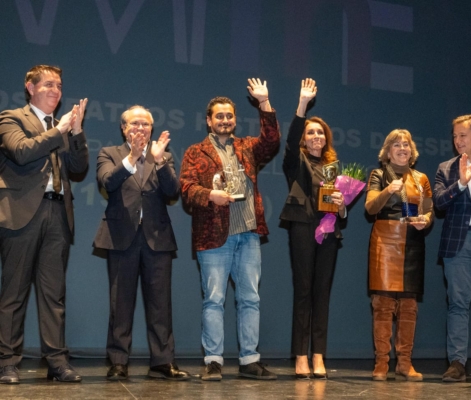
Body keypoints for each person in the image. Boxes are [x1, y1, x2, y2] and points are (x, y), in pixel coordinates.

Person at [180, 78, 280, 381]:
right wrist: (210, 196)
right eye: (219, 116)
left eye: (229, 115)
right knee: (214, 299)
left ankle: (250, 360)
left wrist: (264, 103)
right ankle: (213, 361)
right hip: (213, 237)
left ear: (235, 120)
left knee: (250, 298)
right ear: (209, 121)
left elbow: (272, 141)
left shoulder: (247, 146)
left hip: (248, 233)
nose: (225, 120)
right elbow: (185, 188)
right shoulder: (195, 152)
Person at [0, 65, 88, 383]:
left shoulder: (61, 127)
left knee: (54, 294)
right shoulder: (11, 118)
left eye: (59, 85)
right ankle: (7, 362)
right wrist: (59, 130)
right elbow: (21, 153)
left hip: (57, 213)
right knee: (14, 292)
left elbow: (79, 167)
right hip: (21, 213)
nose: (55, 90)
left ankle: (56, 361)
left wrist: (76, 131)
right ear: (30, 87)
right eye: (48, 84)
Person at [93, 105, 190, 381]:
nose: (141, 129)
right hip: (121, 237)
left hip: (156, 239)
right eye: (135, 124)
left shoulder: (164, 156)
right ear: (124, 128)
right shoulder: (109, 153)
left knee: (160, 304)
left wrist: (158, 162)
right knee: (120, 304)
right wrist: (132, 158)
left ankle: (162, 361)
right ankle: (118, 361)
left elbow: (173, 192)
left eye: (146, 125)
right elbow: (107, 182)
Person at [279, 78, 346, 379]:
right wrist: (302, 105)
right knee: (303, 292)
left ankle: (319, 354)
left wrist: (342, 206)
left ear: (326, 138)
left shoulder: (334, 167)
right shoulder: (297, 162)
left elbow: (340, 208)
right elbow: (290, 143)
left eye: (320, 132)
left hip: (329, 233)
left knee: (322, 293)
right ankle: (300, 356)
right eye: (311, 132)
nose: (316, 136)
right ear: (305, 139)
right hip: (304, 229)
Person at [365, 129, 433, 381]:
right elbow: (370, 208)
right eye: (396, 145)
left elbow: (429, 210)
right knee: (382, 305)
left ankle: (405, 362)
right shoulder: (379, 175)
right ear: (388, 151)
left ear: (411, 151)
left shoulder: (421, 178)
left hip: (412, 242)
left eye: (406, 144)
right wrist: (388, 191)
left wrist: (424, 221)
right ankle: (381, 363)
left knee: (409, 306)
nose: (402, 148)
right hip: (385, 241)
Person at [433, 114, 471, 383]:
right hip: (457, 244)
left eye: (463, 135)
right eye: (455, 136)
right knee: (458, 305)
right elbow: (438, 203)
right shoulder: (446, 167)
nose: (458, 141)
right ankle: (457, 362)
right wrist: (459, 184)